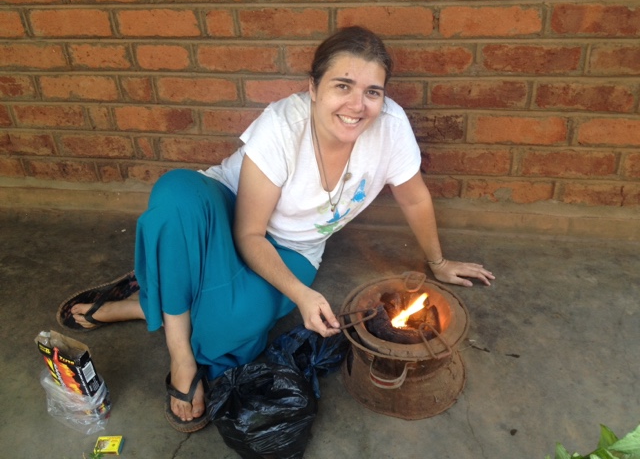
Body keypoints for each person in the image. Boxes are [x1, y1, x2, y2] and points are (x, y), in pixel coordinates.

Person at [57, 26, 495, 433]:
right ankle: (181, 357)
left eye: (372, 92)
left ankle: (153, 300)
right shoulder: (283, 126)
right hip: (227, 212)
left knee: (229, 328)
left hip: (293, 249)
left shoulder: (391, 130)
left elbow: (414, 198)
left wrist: (438, 262)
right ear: (313, 88)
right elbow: (249, 234)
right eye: (342, 86)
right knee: (175, 195)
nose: (357, 105)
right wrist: (302, 296)